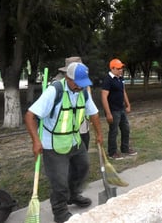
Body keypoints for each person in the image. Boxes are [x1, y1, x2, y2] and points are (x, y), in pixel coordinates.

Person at [24, 62, 104, 223]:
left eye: (83, 83)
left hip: (74, 140)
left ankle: (73, 195)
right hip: (53, 145)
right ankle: (60, 213)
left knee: (83, 167)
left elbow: (94, 113)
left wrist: (99, 134)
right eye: (77, 83)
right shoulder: (54, 91)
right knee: (59, 182)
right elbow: (30, 116)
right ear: (68, 78)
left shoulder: (83, 92)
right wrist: (36, 142)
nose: (80, 87)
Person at [101, 58, 137, 160]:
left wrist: (128, 104)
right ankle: (112, 152)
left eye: (122, 68)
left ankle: (125, 148)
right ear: (112, 68)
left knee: (126, 129)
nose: (121, 70)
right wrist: (108, 113)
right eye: (118, 68)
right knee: (114, 131)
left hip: (121, 109)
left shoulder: (120, 78)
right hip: (113, 110)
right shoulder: (108, 80)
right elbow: (104, 97)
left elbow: (123, 91)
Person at [55, 56, 91, 151]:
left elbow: (88, 101)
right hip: (64, 129)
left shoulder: (83, 80)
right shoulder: (57, 84)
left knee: (82, 147)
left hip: (82, 124)